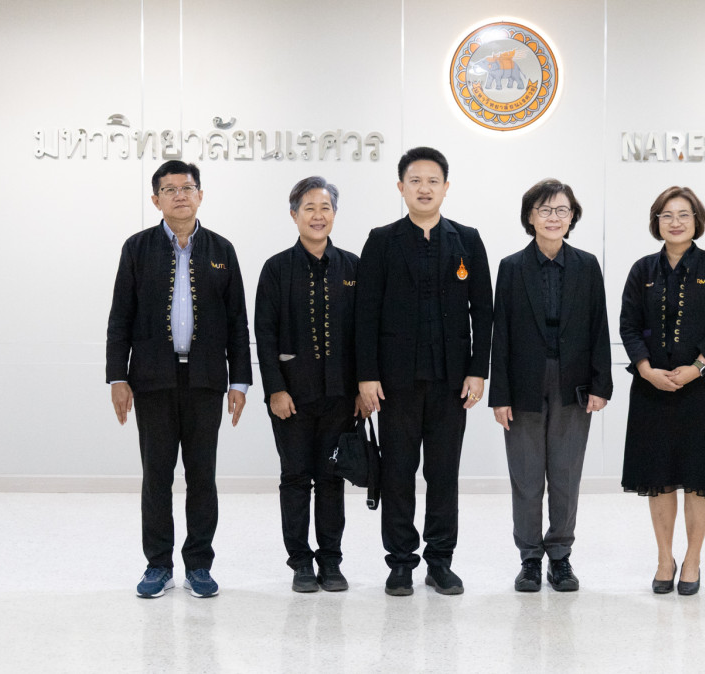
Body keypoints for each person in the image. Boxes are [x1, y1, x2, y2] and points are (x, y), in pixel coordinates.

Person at [106, 160, 252, 599]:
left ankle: (199, 565)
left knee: (202, 476)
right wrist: (117, 377)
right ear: (156, 200)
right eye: (169, 190)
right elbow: (120, 317)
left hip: (206, 380)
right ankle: (158, 565)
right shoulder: (137, 248)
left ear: (200, 195)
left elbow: (237, 322)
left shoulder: (222, 250)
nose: (179, 195)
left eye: (187, 187)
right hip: (152, 381)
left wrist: (239, 382)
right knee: (157, 476)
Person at [355, 147, 493, 596]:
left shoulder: (467, 240)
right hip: (395, 383)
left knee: (443, 474)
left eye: (433, 181)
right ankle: (400, 563)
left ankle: (440, 562)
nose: (424, 188)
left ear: (446, 188)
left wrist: (478, 371)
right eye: (415, 180)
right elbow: (365, 313)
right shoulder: (382, 240)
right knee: (397, 473)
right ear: (401, 187)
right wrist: (366, 375)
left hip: (452, 382)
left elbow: (483, 312)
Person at [489, 179, 612, 593]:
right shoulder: (511, 267)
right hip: (524, 383)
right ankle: (529, 558)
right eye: (545, 210)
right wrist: (500, 395)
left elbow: (598, 326)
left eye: (562, 210)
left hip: (573, 382)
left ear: (572, 216)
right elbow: (501, 335)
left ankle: (560, 556)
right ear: (531, 217)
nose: (553, 217)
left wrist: (601, 385)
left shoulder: (587, 265)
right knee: (526, 477)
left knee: (565, 474)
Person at [620, 186, 705, 596]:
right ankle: (664, 558)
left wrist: (697, 367)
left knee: (699, 477)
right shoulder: (642, 270)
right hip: (652, 389)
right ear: (656, 222)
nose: (675, 222)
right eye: (667, 215)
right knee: (660, 477)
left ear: (696, 221)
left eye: (684, 215)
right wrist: (646, 370)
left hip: (703, 390)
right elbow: (629, 326)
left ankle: (693, 559)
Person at [253, 176, 364, 593]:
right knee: (296, 478)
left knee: (332, 478)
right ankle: (300, 562)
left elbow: (365, 335)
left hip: (341, 398)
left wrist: (362, 388)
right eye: (309, 208)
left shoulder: (353, 267)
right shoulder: (276, 268)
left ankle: (331, 561)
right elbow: (264, 334)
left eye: (325, 208)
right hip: (292, 399)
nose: (318, 216)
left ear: (335, 213)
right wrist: (275, 390)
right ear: (294, 214)